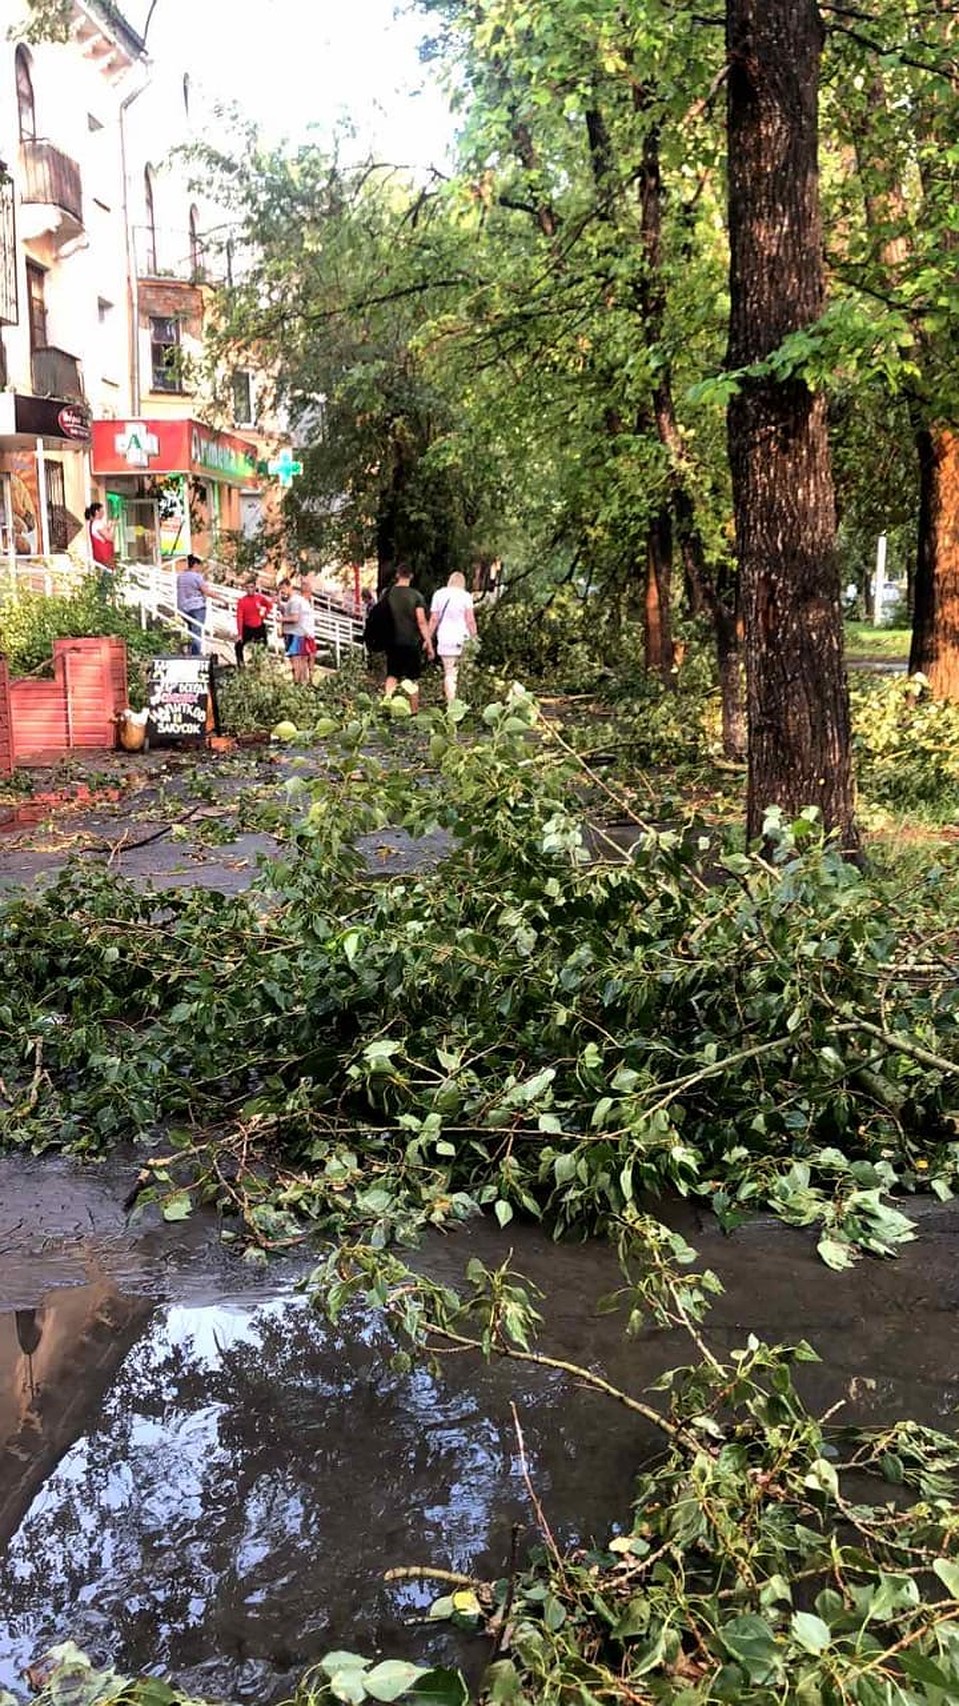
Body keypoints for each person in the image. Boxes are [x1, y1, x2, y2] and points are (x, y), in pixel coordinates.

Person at [384, 564, 433, 713]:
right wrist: (429, 642)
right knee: (412, 678)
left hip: (392, 641)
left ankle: (388, 705)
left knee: (392, 675)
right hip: (411, 642)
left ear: (397, 575)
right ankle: (414, 712)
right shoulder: (416, 596)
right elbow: (421, 621)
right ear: (411, 576)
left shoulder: (387, 594)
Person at [429, 571, 478, 704]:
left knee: (449, 673)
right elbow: (470, 620)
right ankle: (463, 702)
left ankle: (451, 704)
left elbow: (434, 619)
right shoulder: (466, 596)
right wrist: (475, 638)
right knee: (463, 674)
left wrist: (428, 638)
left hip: (445, 638)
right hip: (463, 639)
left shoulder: (439, 594)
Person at [280, 575, 317, 683]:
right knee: (302, 661)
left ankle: (300, 683)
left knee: (298, 661)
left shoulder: (296, 601)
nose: (282, 592)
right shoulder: (299, 601)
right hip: (302, 633)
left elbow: (295, 618)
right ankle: (303, 683)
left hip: (298, 634)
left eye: (283, 589)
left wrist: (281, 620)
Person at [177, 554, 214, 656]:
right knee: (197, 632)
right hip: (197, 607)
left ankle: (191, 652)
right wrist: (222, 599)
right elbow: (206, 591)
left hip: (184, 608)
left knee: (191, 631)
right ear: (195, 565)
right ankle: (196, 655)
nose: (200, 568)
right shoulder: (197, 577)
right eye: (199, 566)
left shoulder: (181, 576)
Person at [235, 576, 273, 667]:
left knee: (262, 646)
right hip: (247, 627)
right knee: (238, 646)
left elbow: (269, 605)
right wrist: (240, 634)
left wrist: (264, 615)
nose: (249, 589)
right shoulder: (242, 601)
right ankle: (241, 666)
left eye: (251, 587)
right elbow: (239, 618)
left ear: (255, 588)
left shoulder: (259, 598)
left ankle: (260, 666)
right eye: (247, 587)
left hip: (259, 627)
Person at [85, 502, 116, 572]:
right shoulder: (98, 523)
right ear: (97, 511)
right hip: (104, 558)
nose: (103, 512)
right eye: (102, 510)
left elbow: (102, 534)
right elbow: (110, 538)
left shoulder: (94, 523)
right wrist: (113, 526)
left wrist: (109, 526)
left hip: (100, 557)